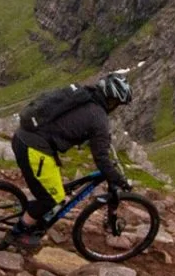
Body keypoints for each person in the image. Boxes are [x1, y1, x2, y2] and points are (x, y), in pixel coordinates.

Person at [11, 70, 134, 244]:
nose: (115, 106)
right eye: (116, 102)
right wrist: (119, 180)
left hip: (23, 136)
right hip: (34, 148)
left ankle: (32, 213)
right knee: (52, 198)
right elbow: (101, 159)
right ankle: (18, 233)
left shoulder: (83, 95)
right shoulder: (99, 119)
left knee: (52, 184)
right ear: (110, 100)